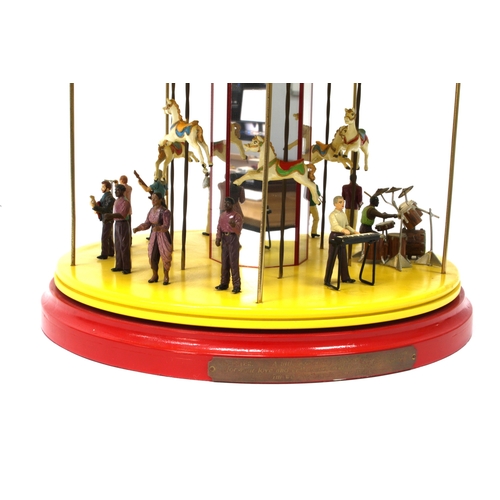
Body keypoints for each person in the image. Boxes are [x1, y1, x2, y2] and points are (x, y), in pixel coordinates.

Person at [133, 192, 172, 285]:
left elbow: (166, 226)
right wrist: (138, 228)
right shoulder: (151, 210)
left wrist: (159, 228)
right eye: (152, 199)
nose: (153, 201)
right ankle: (155, 274)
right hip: (154, 236)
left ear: (160, 200)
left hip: (163, 237)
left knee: (165, 256)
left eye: (155, 199)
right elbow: (147, 223)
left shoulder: (165, 212)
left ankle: (166, 275)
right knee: (152, 256)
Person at [324, 196, 359, 288]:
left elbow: (346, 225)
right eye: (340, 202)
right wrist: (343, 230)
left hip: (342, 237)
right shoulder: (332, 215)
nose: (342, 204)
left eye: (343, 202)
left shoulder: (343, 214)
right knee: (332, 258)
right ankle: (327, 279)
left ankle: (345, 277)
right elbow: (335, 226)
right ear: (335, 204)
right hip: (335, 236)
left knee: (343, 257)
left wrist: (353, 231)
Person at [215, 197, 243, 294]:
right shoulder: (222, 215)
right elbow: (219, 227)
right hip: (224, 239)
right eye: (225, 203)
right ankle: (224, 283)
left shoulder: (237, 216)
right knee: (224, 262)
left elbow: (238, 231)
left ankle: (236, 285)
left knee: (233, 262)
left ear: (232, 205)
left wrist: (234, 225)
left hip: (232, 238)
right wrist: (218, 237)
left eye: (228, 203)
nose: (226, 205)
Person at [103, 184, 132, 274]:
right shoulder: (117, 201)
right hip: (117, 224)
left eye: (118, 190)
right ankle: (119, 265)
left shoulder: (125, 202)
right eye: (115, 190)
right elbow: (115, 213)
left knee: (124, 246)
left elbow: (122, 215)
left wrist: (110, 216)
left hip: (123, 224)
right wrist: (110, 218)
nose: (115, 192)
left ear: (123, 191)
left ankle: (126, 267)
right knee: (118, 246)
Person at [90, 180, 115, 260]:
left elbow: (106, 209)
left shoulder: (110, 198)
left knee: (105, 236)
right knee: (109, 236)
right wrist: (95, 204)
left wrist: (95, 207)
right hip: (106, 218)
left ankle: (104, 254)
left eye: (103, 187)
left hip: (108, 218)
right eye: (102, 187)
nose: (102, 188)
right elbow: (100, 204)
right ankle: (111, 251)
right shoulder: (105, 195)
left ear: (108, 188)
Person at [113, 175, 133, 244]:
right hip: (129, 209)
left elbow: (120, 189)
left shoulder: (123, 188)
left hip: (122, 209)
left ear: (121, 180)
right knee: (129, 226)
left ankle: (126, 242)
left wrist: (116, 184)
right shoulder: (130, 187)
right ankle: (129, 241)